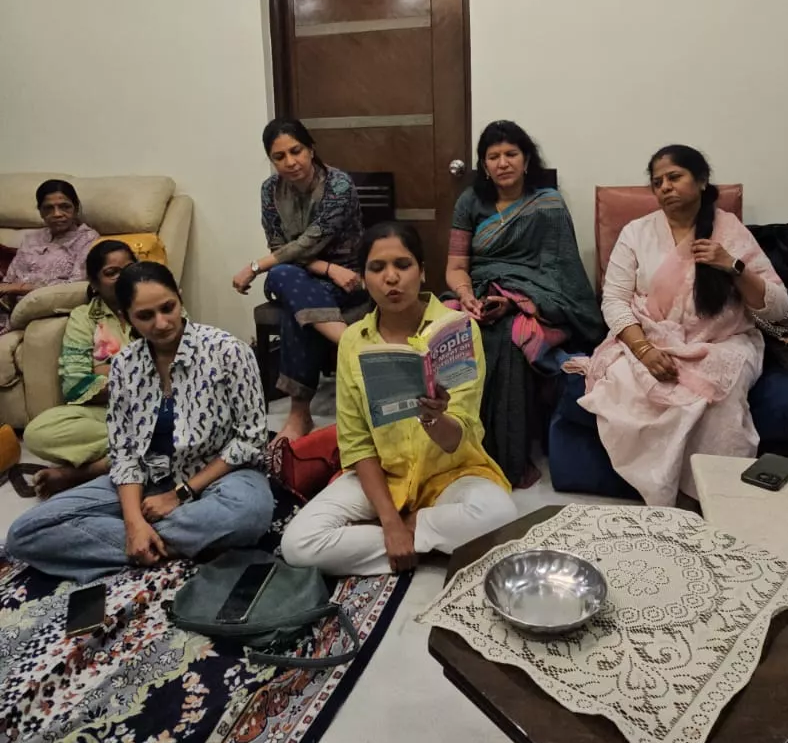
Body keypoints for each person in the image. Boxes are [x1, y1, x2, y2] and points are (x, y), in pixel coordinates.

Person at [5, 262, 274, 583]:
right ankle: (159, 541)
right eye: (145, 315)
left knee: (250, 512)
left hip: (220, 475)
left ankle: (140, 544)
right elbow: (125, 453)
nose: (161, 323)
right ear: (126, 316)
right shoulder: (125, 365)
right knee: (25, 533)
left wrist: (178, 495)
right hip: (148, 479)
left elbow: (250, 439)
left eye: (168, 308)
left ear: (180, 298)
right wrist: (133, 522)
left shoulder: (228, 351)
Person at [282, 222, 516, 575]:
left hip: (450, 474)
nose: (391, 277)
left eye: (402, 265)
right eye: (377, 268)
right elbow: (357, 443)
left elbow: (460, 436)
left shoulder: (457, 329)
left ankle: (410, 535)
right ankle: (419, 541)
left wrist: (435, 417)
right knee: (298, 544)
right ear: (364, 279)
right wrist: (390, 522)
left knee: (500, 515)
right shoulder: (353, 341)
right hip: (382, 476)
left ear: (422, 271)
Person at [573, 145, 788, 510]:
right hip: (650, 339)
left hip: (722, 342)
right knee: (626, 385)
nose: (665, 187)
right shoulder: (636, 232)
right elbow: (614, 301)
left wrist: (732, 265)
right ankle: (662, 498)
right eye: (657, 182)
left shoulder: (729, 232)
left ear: (701, 180)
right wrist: (644, 351)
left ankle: (711, 500)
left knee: (718, 399)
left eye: (674, 177)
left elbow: (778, 307)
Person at [445, 121, 602, 487]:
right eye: (493, 156)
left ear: (526, 160)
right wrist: (467, 296)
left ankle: (506, 456)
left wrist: (518, 301)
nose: (503, 163)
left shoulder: (548, 204)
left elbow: (560, 271)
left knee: (508, 339)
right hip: (477, 292)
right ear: (484, 165)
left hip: (535, 300)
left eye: (511, 154)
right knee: (449, 332)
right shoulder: (470, 201)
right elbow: (455, 267)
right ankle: (454, 449)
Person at [232, 118, 364, 443]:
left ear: (310, 149)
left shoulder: (338, 186)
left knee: (293, 302)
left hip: (347, 279)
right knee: (284, 274)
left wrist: (255, 267)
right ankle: (352, 342)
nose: (291, 162)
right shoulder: (270, 190)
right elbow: (280, 247)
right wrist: (327, 269)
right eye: (279, 156)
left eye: (296, 151)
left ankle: (298, 413)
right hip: (303, 274)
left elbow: (308, 242)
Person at [24, 239, 136, 498]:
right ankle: (145, 449)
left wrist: (104, 370)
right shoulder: (84, 318)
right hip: (108, 411)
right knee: (38, 432)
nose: (123, 277)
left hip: (162, 405)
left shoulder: (158, 301)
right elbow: (75, 385)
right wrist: (140, 376)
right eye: (112, 272)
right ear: (94, 283)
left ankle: (92, 471)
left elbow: (177, 368)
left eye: (129, 268)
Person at [0, 180, 99, 333]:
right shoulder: (31, 238)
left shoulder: (88, 239)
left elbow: (77, 286)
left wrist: (19, 288)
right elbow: (10, 279)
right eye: (48, 208)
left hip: (46, 308)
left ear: (76, 208)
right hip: (10, 307)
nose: (57, 214)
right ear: (40, 212)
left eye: (65, 207)